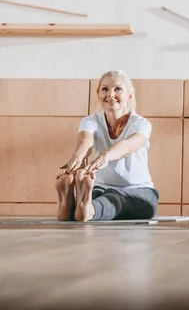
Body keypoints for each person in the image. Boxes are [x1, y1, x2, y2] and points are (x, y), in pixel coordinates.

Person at [54, 70, 159, 222]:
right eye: (105, 89)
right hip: (101, 189)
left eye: (117, 89)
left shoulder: (141, 124)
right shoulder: (90, 121)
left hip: (139, 191)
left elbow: (128, 146)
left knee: (115, 200)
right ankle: (82, 208)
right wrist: (77, 157)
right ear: (98, 94)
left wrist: (105, 156)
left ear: (130, 95)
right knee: (107, 201)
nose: (110, 94)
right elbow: (86, 141)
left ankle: (79, 207)